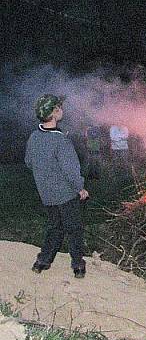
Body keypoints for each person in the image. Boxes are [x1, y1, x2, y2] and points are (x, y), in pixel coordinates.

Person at [25, 94, 89, 278]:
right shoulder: (61, 140)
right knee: (74, 228)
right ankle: (78, 266)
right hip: (66, 194)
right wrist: (80, 188)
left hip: (46, 194)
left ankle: (42, 263)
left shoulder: (34, 137)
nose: (62, 110)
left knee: (55, 227)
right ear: (54, 113)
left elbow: (29, 162)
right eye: (59, 108)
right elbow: (71, 169)